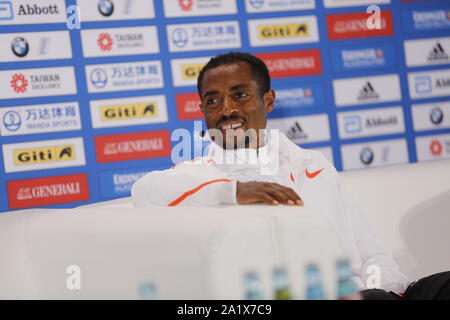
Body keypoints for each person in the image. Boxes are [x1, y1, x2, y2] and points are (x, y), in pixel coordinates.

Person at [132, 52, 449, 300]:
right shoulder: (199, 176)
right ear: (202, 110)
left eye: (240, 95)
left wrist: (390, 289)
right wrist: (234, 191)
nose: (226, 109)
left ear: (268, 100)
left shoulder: (312, 163)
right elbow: (145, 190)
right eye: (212, 100)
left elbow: (368, 248)